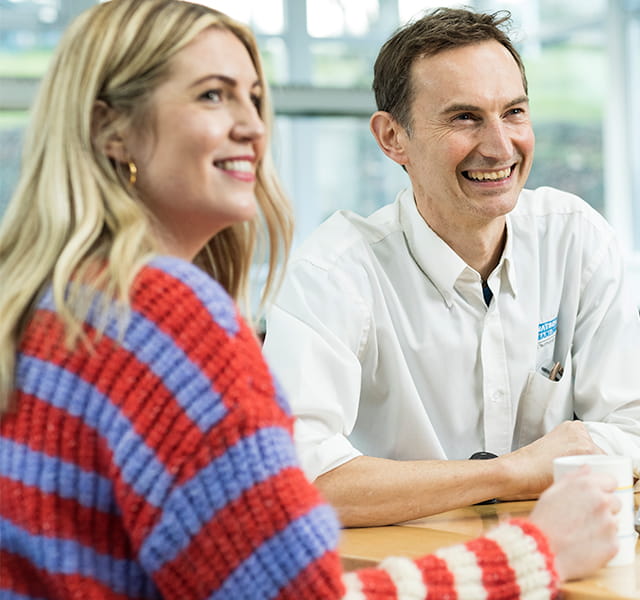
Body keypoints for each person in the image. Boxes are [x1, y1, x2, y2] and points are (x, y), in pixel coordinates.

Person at [0, 1, 622, 599]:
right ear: (112, 130)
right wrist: (538, 551)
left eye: (255, 97)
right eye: (213, 95)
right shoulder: (163, 315)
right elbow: (293, 592)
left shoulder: (59, 301)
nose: (252, 125)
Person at [263, 6, 640, 527]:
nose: (499, 146)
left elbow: (634, 427)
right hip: (400, 572)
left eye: (513, 112)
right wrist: (509, 473)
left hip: (564, 558)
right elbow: (292, 481)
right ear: (393, 138)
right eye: (464, 117)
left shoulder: (575, 237)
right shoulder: (334, 273)